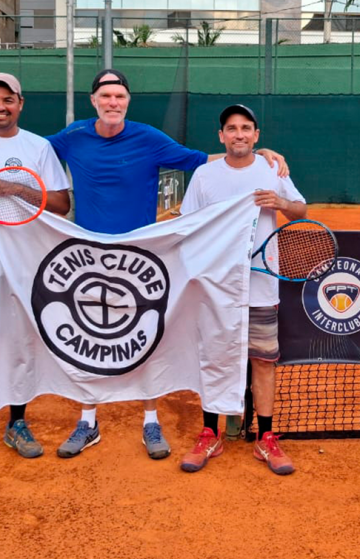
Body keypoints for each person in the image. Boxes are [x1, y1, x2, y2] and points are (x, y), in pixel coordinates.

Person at [44, 71, 288, 460]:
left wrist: (260, 154)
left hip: (141, 256)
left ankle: (151, 421)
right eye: (106, 96)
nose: (112, 102)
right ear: (94, 100)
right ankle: (87, 420)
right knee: (89, 338)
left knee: (145, 335)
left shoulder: (149, 138)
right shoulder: (72, 136)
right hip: (87, 257)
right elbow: (34, 150)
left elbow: (205, 159)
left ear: (127, 101)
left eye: (119, 96)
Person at [179, 104, 306, 475]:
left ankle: (266, 437)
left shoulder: (272, 169)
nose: (239, 134)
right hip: (217, 289)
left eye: (246, 128)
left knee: (263, 362)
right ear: (221, 136)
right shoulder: (204, 175)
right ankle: (210, 432)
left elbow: (300, 209)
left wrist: (281, 202)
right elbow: (188, 225)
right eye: (232, 128)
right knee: (214, 358)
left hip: (261, 287)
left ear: (256, 135)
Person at [0, 72, 70, 459]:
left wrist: (15, 188)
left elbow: (61, 204)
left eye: (8, 99)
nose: (1, 106)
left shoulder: (38, 147)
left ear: (20, 104)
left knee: (19, 340)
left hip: (23, 260)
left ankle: (16, 423)